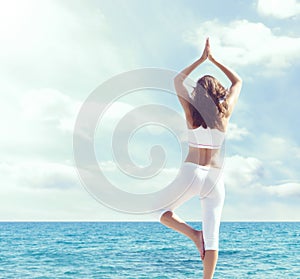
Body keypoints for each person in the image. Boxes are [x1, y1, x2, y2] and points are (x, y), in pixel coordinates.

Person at [156, 38, 242, 279]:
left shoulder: (191, 114)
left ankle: (194, 235)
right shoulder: (225, 115)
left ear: (198, 94)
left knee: (158, 210)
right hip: (215, 178)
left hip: (192, 172)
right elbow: (238, 81)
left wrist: (200, 60)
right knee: (213, 238)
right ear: (219, 94)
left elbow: (176, 80)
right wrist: (215, 61)